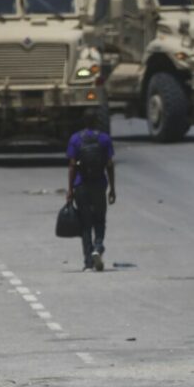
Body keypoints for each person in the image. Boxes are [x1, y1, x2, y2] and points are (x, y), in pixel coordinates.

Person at [66, 109, 115, 272]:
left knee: (85, 224)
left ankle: (88, 262)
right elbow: (109, 165)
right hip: (99, 185)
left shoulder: (75, 139)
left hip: (81, 186)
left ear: (83, 122)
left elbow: (72, 165)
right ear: (96, 121)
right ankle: (98, 247)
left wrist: (70, 189)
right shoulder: (104, 138)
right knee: (100, 220)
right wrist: (112, 188)